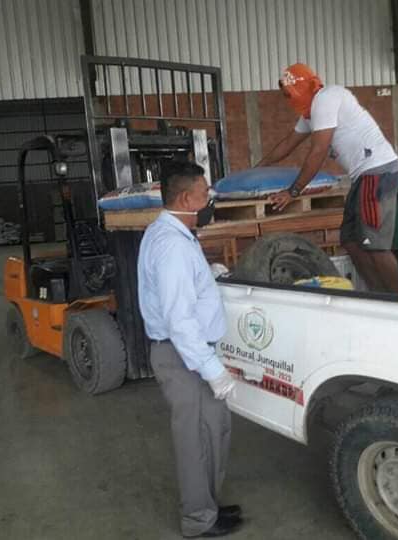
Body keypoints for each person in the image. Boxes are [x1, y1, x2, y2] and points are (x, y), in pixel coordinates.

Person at [137, 162, 243, 538]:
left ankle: (208, 505)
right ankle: (198, 519)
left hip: (191, 353)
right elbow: (179, 319)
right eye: (204, 193)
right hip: (184, 357)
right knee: (196, 438)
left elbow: (181, 289)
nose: (209, 198)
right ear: (186, 198)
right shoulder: (172, 246)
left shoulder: (174, 234)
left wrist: (208, 277)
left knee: (213, 431)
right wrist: (212, 369)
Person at [262, 63, 398, 293]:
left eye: (292, 93)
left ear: (308, 87)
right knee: (350, 241)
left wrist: (293, 191)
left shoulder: (326, 98)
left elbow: (318, 151)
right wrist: (257, 169)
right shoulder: (310, 113)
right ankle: (378, 293)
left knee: (374, 245)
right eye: (287, 95)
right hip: (362, 176)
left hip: (377, 171)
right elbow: (287, 144)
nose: (290, 99)